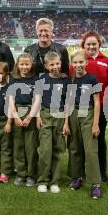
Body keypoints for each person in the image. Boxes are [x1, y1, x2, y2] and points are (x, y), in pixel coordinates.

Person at [64, 50, 103, 199]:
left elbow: (97, 102)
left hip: (87, 114)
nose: (78, 65)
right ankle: (76, 177)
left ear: (86, 62)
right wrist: (66, 123)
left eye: (81, 62)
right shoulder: (70, 80)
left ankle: (95, 184)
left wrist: (95, 124)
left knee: (91, 150)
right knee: (74, 148)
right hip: (73, 114)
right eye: (75, 62)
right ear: (72, 64)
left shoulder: (93, 79)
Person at [33, 52, 69, 193]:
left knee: (58, 151)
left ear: (61, 63)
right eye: (52, 64)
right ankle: (42, 180)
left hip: (60, 117)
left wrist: (66, 122)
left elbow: (67, 103)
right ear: (47, 66)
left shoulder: (66, 81)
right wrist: (37, 116)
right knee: (45, 150)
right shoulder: (41, 81)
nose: (55, 67)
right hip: (45, 115)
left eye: (57, 64)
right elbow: (37, 100)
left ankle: (54, 181)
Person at [78, 31, 108, 182]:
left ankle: (102, 171)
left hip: (102, 107)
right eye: (88, 44)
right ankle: (84, 171)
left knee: (100, 139)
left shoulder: (106, 60)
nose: (91, 46)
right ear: (83, 45)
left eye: (94, 44)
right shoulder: (79, 61)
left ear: (99, 44)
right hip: (82, 107)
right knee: (83, 140)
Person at [8, 53, 39, 187]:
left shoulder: (35, 79)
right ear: (17, 65)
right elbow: (10, 99)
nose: (24, 66)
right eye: (22, 64)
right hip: (17, 112)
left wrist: (30, 116)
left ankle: (31, 175)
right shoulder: (13, 79)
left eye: (27, 64)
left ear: (31, 65)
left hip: (30, 112)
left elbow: (37, 100)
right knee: (18, 145)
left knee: (30, 146)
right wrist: (15, 116)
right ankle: (21, 174)